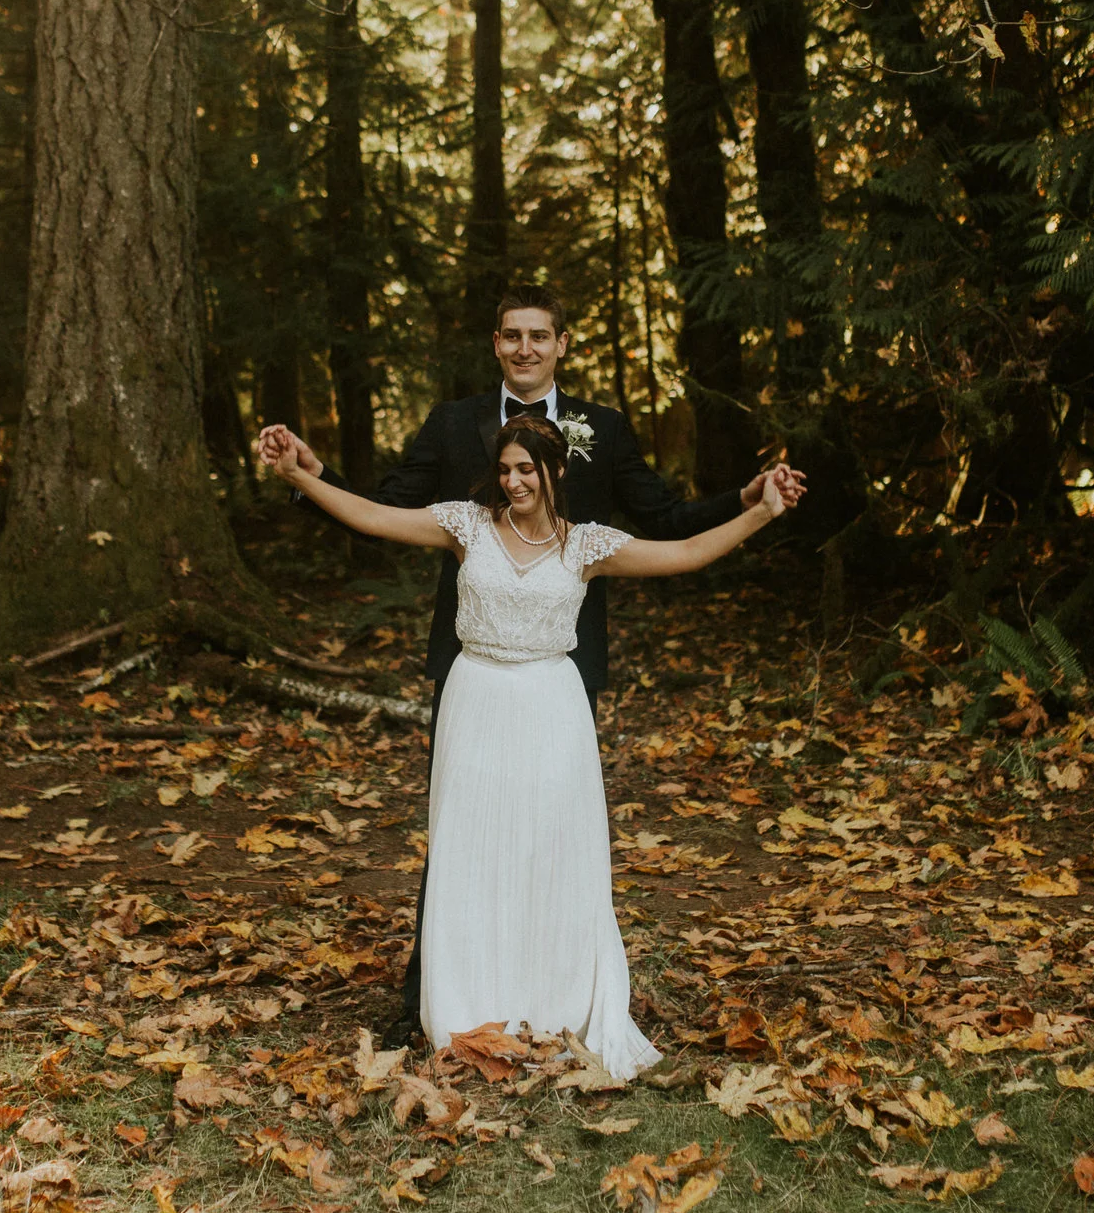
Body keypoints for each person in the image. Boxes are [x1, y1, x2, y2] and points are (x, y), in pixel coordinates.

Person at [266, 283, 804, 1034]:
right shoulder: (456, 440)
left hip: (559, 680)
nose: (525, 347)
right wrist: (306, 474)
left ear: (560, 344)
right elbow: (382, 511)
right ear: (496, 343)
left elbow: (672, 529)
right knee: (465, 833)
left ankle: (554, 992)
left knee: (553, 835)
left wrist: (750, 504)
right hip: (473, 682)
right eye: (511, 334)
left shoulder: (601, 441)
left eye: (539, 335)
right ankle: (444, 998)